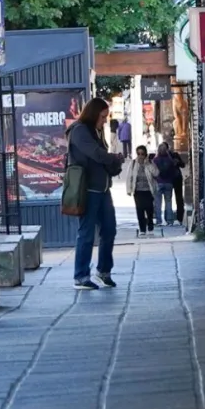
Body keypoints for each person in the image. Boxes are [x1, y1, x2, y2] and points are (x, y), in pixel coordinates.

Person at [66, 97, 126, 290]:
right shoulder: (80, 131)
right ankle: (81, 276)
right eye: (102, 117)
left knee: (109, 230)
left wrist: (113, 162)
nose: (105, 121)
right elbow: (96, 154)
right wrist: (113, 158)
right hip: (88, 190)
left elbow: (102, 159)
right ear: (93, 114)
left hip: (103, 188)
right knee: (86, 233)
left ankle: (103, 271)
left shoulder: (96, 131)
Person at [124, 145, 158, 238]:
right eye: (138, 154)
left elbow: (156, 173)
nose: (140, 156)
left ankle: (150, 227)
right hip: (138, 191)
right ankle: (142, 229)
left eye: (142, 154)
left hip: (148, 190)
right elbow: (129, 177)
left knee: (149, 209)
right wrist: (129, 189)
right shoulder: (133, 163)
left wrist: (148, 164)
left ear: (145, 154)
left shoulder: (150, 163)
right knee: (140, 209)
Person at [152, 143, 179, 226]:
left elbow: (153, 172)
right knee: (168, 202)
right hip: (168, 183)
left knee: (158, 203)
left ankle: (159, 220)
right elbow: (174, 172)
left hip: (158, 183)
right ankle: (169, 220)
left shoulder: (155, 160)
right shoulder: (170, 160)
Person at [167, 143, 186, 225]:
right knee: (171, 198)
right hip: (171, 179)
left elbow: (183, 165)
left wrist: (177, 162)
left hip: (174, 179)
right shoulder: (161, 157)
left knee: (177, 198)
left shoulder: (174, 155)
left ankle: (179, 216)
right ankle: (173, 217)